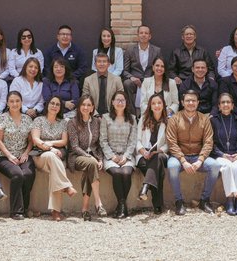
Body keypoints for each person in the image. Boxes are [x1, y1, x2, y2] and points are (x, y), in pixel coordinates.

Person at [166, 90, 219, 215]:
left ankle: (204, 200)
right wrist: (183, 160)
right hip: (179, 157)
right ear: (182, 102)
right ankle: (179, 202)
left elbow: (208, 142)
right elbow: (171, 143)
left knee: (215, 166)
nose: (191, 103)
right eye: (188, 100)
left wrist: (200, 160)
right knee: (172, 166)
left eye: (193, 101)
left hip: (198, 156)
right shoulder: (174, 119)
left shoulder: (204, 119)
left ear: (198, 103)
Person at [0, 90, 37, 219]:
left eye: (17, 101)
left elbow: (30, 140)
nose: (14, 103)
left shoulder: (27, 119)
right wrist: (9, 156)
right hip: (3, 156)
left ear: (21, 103)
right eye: (12, 101)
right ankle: (16, 211)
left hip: (22, 154)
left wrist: (26, 153)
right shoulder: (2, 118)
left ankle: (24, 208)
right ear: (7, 103)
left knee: (28, 174)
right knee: (17, 174)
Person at [30, 95, 74, 220]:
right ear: (47, 105)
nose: (54, 106)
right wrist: (51, 148)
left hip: (56, 158)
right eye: (52, 103)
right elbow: (36, 139)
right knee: (51, 155)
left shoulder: (63, 123)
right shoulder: (39, 120)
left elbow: (64, 141)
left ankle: (56, 211)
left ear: (60, 108)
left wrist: (51, 143)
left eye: (57, 104)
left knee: (55, 166)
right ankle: (66, 187)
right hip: (40, 157)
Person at [68, 95, 107, 220]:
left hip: (93, 158)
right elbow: (74, 146)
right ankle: (98, 202)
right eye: (83, 104)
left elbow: (99, 143)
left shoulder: (97, 122)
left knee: (89, 169)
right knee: (91, 164)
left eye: (89, 105)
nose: (86, 107)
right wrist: (90, 157)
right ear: (79, 107)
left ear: (92, 108)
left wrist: (100, 158)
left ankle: (84, 209)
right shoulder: (72, 122)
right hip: (76, 156)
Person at [100, 90, 138, 218]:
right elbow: (103, 140)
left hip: (127, 155)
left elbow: (133, 141)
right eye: (117, 100)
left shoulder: (132, 118)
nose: (120, 102)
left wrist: (126, 156)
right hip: (111, 155)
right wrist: (113, 156)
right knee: (117, 173)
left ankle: (121, 205)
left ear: (126, 103)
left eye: (123, 100)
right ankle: (123, 205)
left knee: (126, 173)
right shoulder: (105, 118)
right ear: (112, 102)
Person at [210, 92, 237, 215]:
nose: (226, 104)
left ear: (232, 105)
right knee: (227, 167)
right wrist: (221, 154)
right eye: (223, 102)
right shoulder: (213, 121)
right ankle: (230, 199)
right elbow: (210, 142)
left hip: (236, 154)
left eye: (228, 102)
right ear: (219, 106)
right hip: (221, 155)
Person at [136, 93, 171, 214]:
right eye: (153, 103)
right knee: (158, 172)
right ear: (150, 106)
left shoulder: (168, 121)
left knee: (158, 159)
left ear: (163, 105)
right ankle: (158, 205)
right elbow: (137, 140)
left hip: (160, 153)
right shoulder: (143, 119)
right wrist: (143, 151)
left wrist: (158, 151)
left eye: (159, 103)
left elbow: (169, 143)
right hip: (143, 154)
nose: (156, 105)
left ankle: (146, 187)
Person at [81, 51, 125, 117]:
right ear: (95, 64)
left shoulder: (117, 80)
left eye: (104, 61)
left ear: (109, 64)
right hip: (93, 115)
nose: (102, 64)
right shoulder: (88, 80)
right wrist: (96, 115)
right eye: (99, 61)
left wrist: (112, 115)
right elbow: (85, 100)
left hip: (112, 115)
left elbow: (121, 100)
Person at [123, 24, 162, 99]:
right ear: (138, 35)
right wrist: (132, 77)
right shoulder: (130, 50)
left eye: (146, 33)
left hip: (151, 79)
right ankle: (131, 110)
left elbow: (160, 68)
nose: (143, 35)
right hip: (135, 80)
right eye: (141, 33)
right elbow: (125, 71)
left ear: (150, 36)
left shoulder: (157, 51)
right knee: (127, 83)